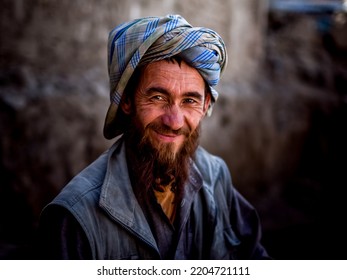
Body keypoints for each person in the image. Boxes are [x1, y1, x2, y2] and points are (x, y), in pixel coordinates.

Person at [37, 14, 270, 260]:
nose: (175, 121)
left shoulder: (216, 177)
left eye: (190, 101)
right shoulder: (75, 216)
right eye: (158, 98)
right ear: (126, 100)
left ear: (205, 105)